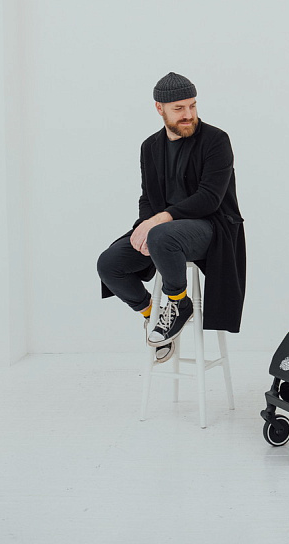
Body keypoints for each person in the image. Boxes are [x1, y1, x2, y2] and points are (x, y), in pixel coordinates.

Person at [97, 72, 246, 364]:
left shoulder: (216, 140)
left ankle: (179, 304)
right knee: (109, 263)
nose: (188, 114)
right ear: (159, 108)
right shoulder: (150, 147)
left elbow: (209, 198)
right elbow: (147, 197)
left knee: (160, 235)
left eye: (192, 105)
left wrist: (156, 223)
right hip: (164, 233)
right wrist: (145, 224)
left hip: (211, 227)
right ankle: (153, 315)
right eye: (179, 108)